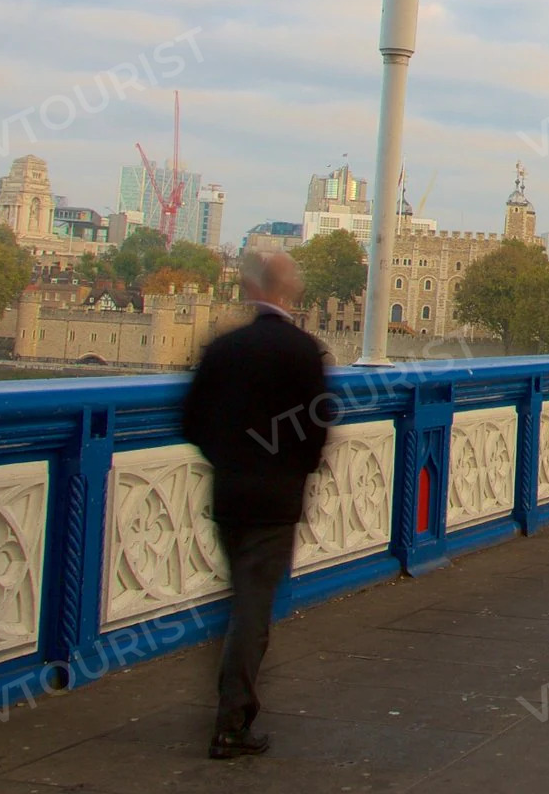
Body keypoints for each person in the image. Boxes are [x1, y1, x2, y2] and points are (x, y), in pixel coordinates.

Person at [179, 249, 332, 759]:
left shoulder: (224, 348)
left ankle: (231, 699)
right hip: (275, 499)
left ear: (253, 290)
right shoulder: (302, 351)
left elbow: (190, 420)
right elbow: (317, 427)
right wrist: (294, 468)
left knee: (242, 597)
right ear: (286, 292)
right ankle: (231, 721)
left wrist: (228, 458)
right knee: (252, 607)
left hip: (229, 492)